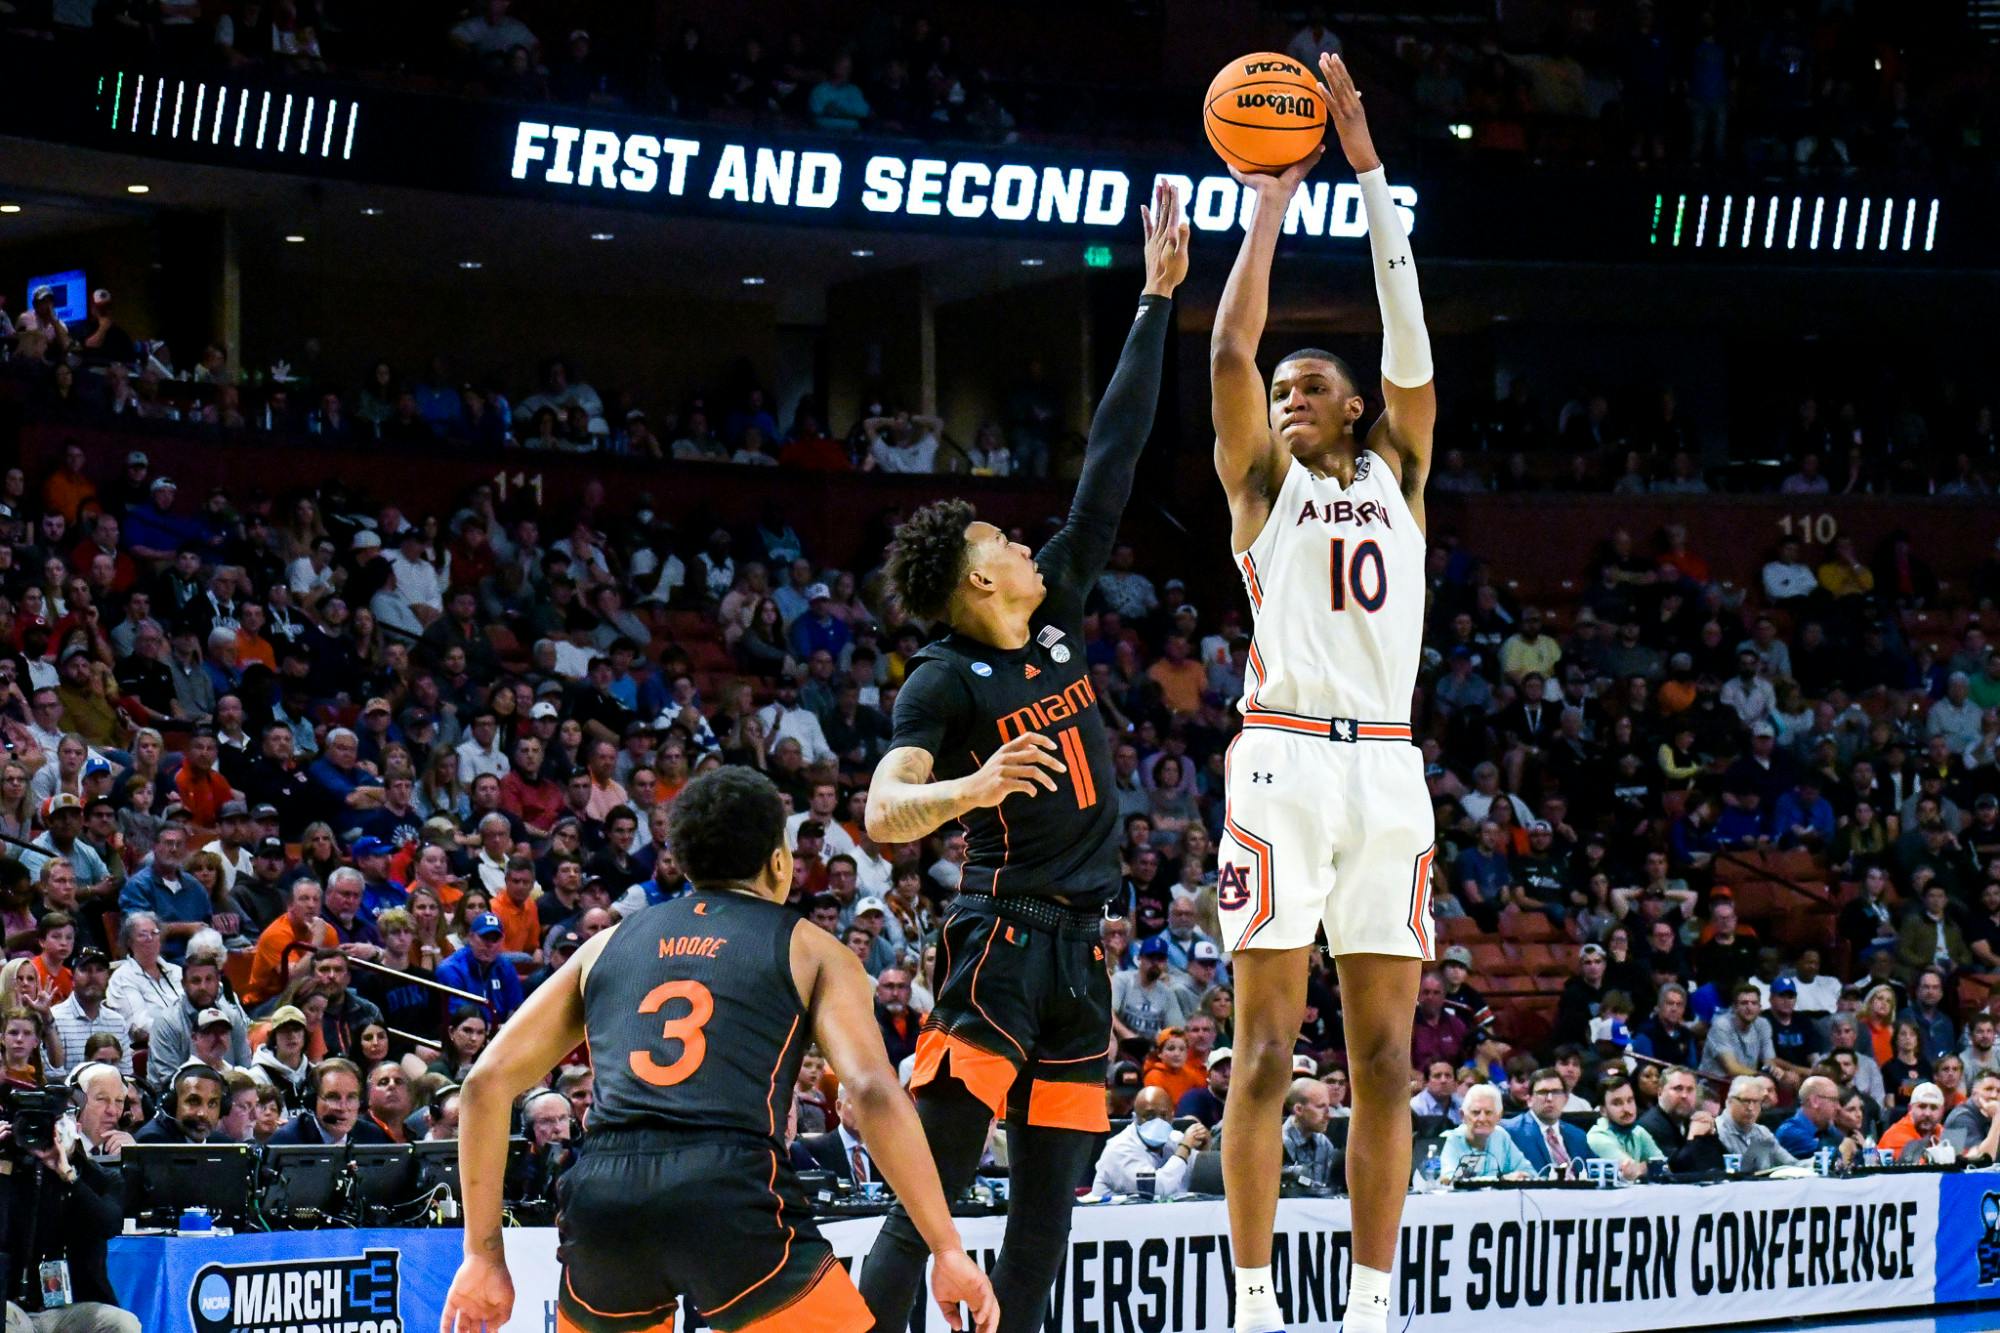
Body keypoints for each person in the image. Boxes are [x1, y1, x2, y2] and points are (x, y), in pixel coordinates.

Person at [853, 186, 1186, 1333]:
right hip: (995, 939)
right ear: (975, 577)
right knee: (928, 1198)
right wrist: (971, 788)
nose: (1021, 539)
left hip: (1078, 952)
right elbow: (880, 810)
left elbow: (1113, 455)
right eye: (1000, 539)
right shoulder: (943, 676)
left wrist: (1152, 300)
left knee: (1050, 1209)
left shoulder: (1059, 610)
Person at [439, 768, 996, 1333]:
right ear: (779, 862)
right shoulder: (813, 948)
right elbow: (873, 1089)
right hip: (729, 1189)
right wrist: (945, 1246)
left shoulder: (604, 944)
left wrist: (482, 1257)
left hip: (607, 1197)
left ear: (683, 859)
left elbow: (484, 1084)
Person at [1208, 53, 1436, 1333]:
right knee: (1259, 1053)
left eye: (1311, 387)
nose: (1287, 398)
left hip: (1388, 771)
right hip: (1284, 759)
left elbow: (1407, 343)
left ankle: (1365, 1307)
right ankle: (1250, 1302)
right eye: (1280, 394)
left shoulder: (1400, 470)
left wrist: (1367, 174)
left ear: (1354, 406)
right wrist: (1271, 200)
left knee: (1386, 1062)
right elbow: (1233, 344)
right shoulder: (1261, 489)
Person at [0, 1092, 141, 1332]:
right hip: (12, 1306)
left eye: (53, 1125)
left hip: (70, 1309)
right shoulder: (6, 1173)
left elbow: (109, 1225)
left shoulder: (99, 1177)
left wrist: (67, 1175)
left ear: (75, 1127)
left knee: (123, 1324)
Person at [1090, 1085, 1209, 1198]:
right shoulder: (1119, 1148)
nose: (1158, 1122)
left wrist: (1205, 1150)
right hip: (1111, 1216)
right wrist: (1185, 1148)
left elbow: (1202, 1176)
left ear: (1172, 1117)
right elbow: (1158, 1191)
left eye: (1163, 1115)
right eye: (1149, 1116)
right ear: (1135, 1118)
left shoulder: (1176, 1139)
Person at [1503, 1067, 1594, 1172]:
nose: (1550, 1098)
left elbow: (1596, 1172)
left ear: (1565, 1099)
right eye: (1543, 1092)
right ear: (1529, 1099)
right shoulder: (1510, 1132)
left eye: (1556, 1092)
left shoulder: (1578, 1136)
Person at [1441, 1083, 1533, 1179]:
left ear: (1499, 1116)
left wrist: (1522, 1176)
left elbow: (1528, 1171)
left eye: (1488, 1113)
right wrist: (1502, 1180)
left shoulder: (1501, 1136)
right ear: (1462, 1115)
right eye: (1476, 1112)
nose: (1482, 1119)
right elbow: (1449, 1180)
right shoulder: (1454, 1139)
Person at [1585, 1074, 1664, 1179]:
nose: (1627, 1109)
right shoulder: (1597, 1137)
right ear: (1603, 1111)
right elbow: (1631, 1171)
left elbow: (1664, 1167)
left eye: (1630, 1100)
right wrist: (1651, 1167)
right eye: (1617, 1103)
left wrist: (1648, 1167)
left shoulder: (1638, 1131)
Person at [1716, 1074, 1797, 1171]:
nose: (1751, 1108)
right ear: (1729, 1102)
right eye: (1745, 1101)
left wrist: (1816, 1161)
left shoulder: (1763, 1133)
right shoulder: (1716, 1131)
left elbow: (1793, 1164)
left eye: (1756, 1102)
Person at [1280, 1077, 1342, 1188]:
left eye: (1329, 1107)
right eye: (1321, 1107)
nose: (1329, 1115)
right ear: (1299, 1109)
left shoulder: (1324, 1143)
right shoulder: (1277, 1145)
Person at [1878, 1080, 1953, 1163]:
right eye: (1922, 1106)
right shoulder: (1895, 1135)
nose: (1927, 1113)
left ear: (1942, 1111)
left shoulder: (1941, 1131)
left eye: (1933, 1108)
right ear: (1910, 1109)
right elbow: (1921, 1170)